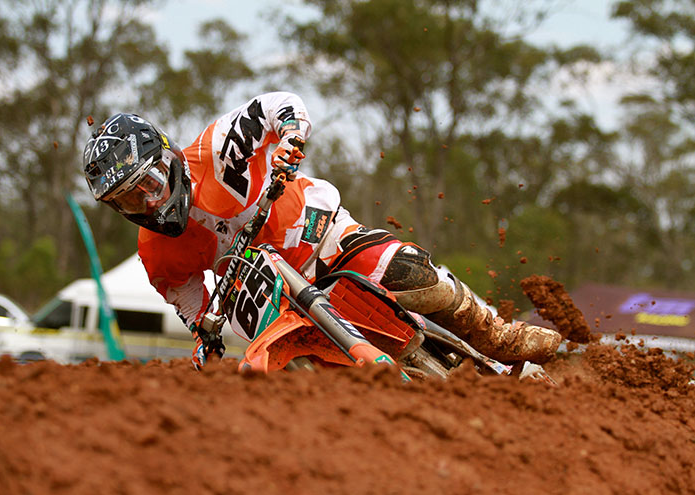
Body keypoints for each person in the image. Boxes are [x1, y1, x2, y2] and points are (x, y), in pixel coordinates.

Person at [83, 92, 561, 368]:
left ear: (166, 158)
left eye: (146, 183)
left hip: (321, 235)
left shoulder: (217, 148)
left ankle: (500, 337)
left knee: (413, 276)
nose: (146, 202)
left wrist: (291, 137)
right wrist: (205, 331)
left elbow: (279, 105)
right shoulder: (155, 253)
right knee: (298, 367)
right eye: (126, 200)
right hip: (264, 290)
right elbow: (190, 301)